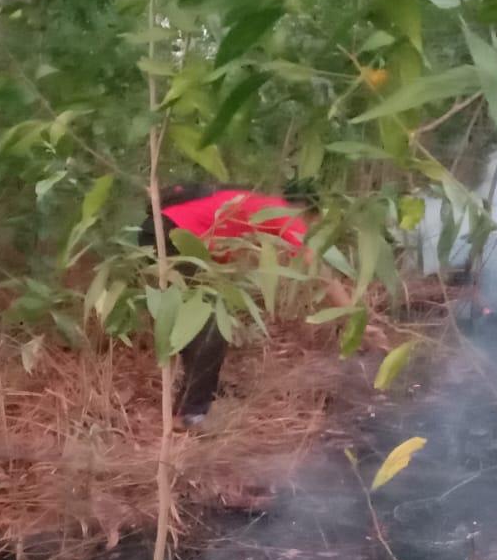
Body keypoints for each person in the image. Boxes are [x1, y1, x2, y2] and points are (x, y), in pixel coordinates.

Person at [139, 182, 354, 427]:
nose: (310, 229)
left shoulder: (252, 200)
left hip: (161, 233)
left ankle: (199, 391)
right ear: (304, 209)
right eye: (313, 223)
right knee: (210, 321)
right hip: (173, 237)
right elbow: (315, 267)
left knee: (201, 318)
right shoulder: (281, 211)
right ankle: (191, 413)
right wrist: (355, 317)